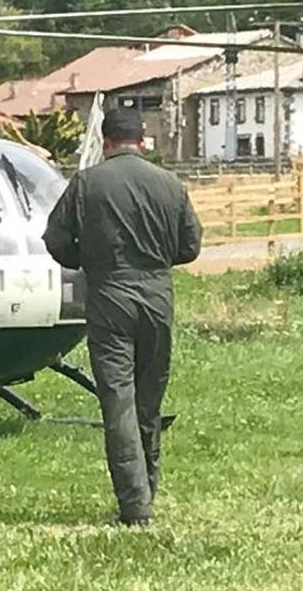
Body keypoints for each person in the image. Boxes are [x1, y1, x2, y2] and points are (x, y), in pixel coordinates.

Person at [43, 108, 202, 527]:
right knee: (148, 401)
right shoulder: (170, 183)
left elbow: (55, 239)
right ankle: (147, 486)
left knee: (118, 402)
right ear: (143, 142)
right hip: (156, 296)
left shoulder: (87, 183)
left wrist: (88, 259)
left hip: (110, 295)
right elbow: (190, 247)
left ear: (104, 141)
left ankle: (135, 506)